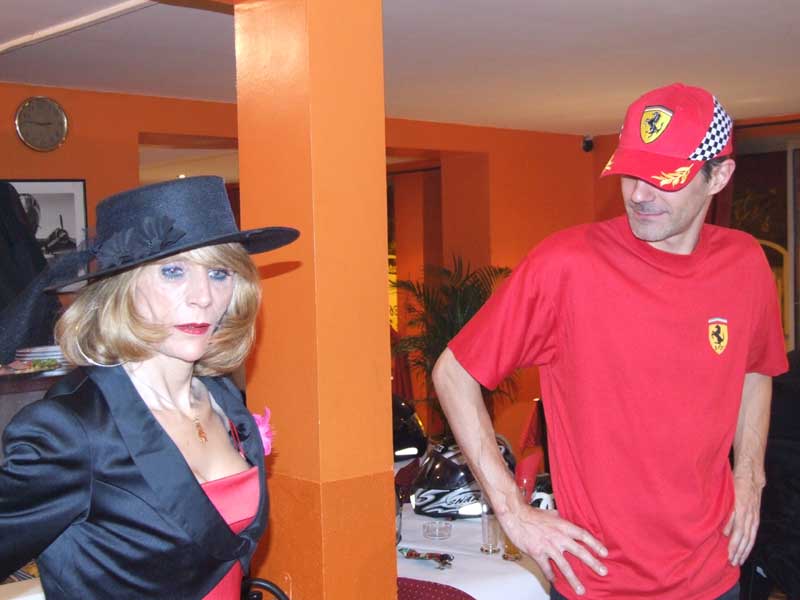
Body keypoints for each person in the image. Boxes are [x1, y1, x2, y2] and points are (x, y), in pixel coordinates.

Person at [432, 83, 788, 599]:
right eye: (631, 174)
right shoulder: (567, 265)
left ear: (719, 176)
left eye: (662, 179)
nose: (639, 195)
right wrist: (512, 510)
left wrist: (750, 476)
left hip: (714, 575)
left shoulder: (745, 264)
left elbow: (755, 369)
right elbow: (453, 372)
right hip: (598, 581)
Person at [0, 176, 299, 599]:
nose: (203, 297)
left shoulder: (223, 401)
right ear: (121, 288)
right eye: (173, 271)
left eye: (219, 273)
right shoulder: (72, 431)